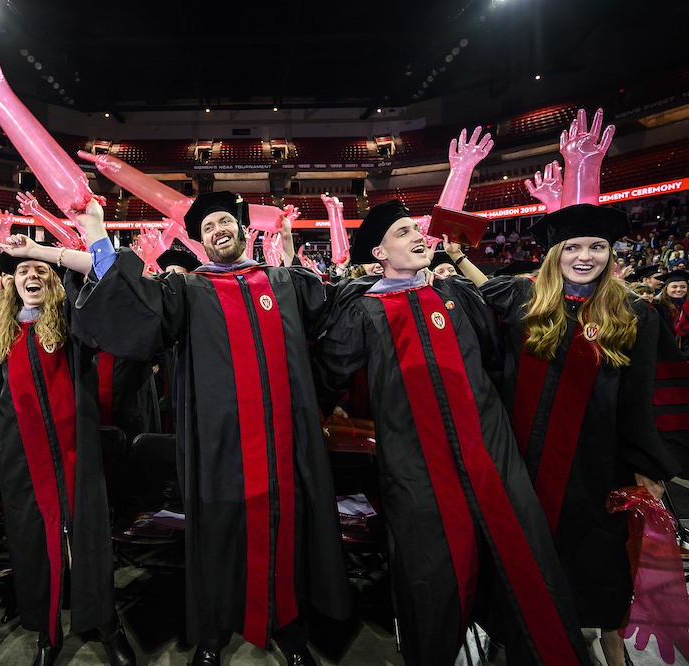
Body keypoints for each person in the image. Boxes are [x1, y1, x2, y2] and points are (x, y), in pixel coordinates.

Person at [70, 192, 350, 666]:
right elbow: (136, 309)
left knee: (287, 531)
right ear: (200, 244)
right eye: (206, 228)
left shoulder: (284, 282)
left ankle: (289, 627)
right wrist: (96, 232)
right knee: (217, 534)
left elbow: (337, 330)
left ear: (243, 230)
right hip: (218, 447)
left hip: (285, 442)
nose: (217, 230)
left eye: (224, 221)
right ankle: (214, 632)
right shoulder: (189, 291)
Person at [310, 199, 592, 666]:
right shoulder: (363, 310)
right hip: (416, 461)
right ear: (379, 253)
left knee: (523, 556)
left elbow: (500, 354)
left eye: (416, 228)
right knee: (432, 573)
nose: (417, 236)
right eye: (402, 233)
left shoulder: (457, 294)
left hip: (490, 450)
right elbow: (330, 375)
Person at [478, 204, 688, 666]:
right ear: (554, 253)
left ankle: (589, 639)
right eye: (572, 247)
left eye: (597, 247)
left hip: (598, 464)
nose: (585, 256)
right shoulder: (521, 300)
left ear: (611, 253)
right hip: (522, 459)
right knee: (524, 547)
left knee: (594, 557)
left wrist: (649, 463)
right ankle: (517, 634)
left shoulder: (635, 312)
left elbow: (649, 393)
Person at [0, 240, 137, 666]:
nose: (32, 277)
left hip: (77, 458)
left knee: (89, 540)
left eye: (40, 271)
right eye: (23, 271)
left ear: (55, 281)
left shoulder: (75, 329)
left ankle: (105, 623)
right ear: (11, 286)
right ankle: (48, 634)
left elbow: (106, 277)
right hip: (22, 465)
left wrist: (50, 254)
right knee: (29, 547)